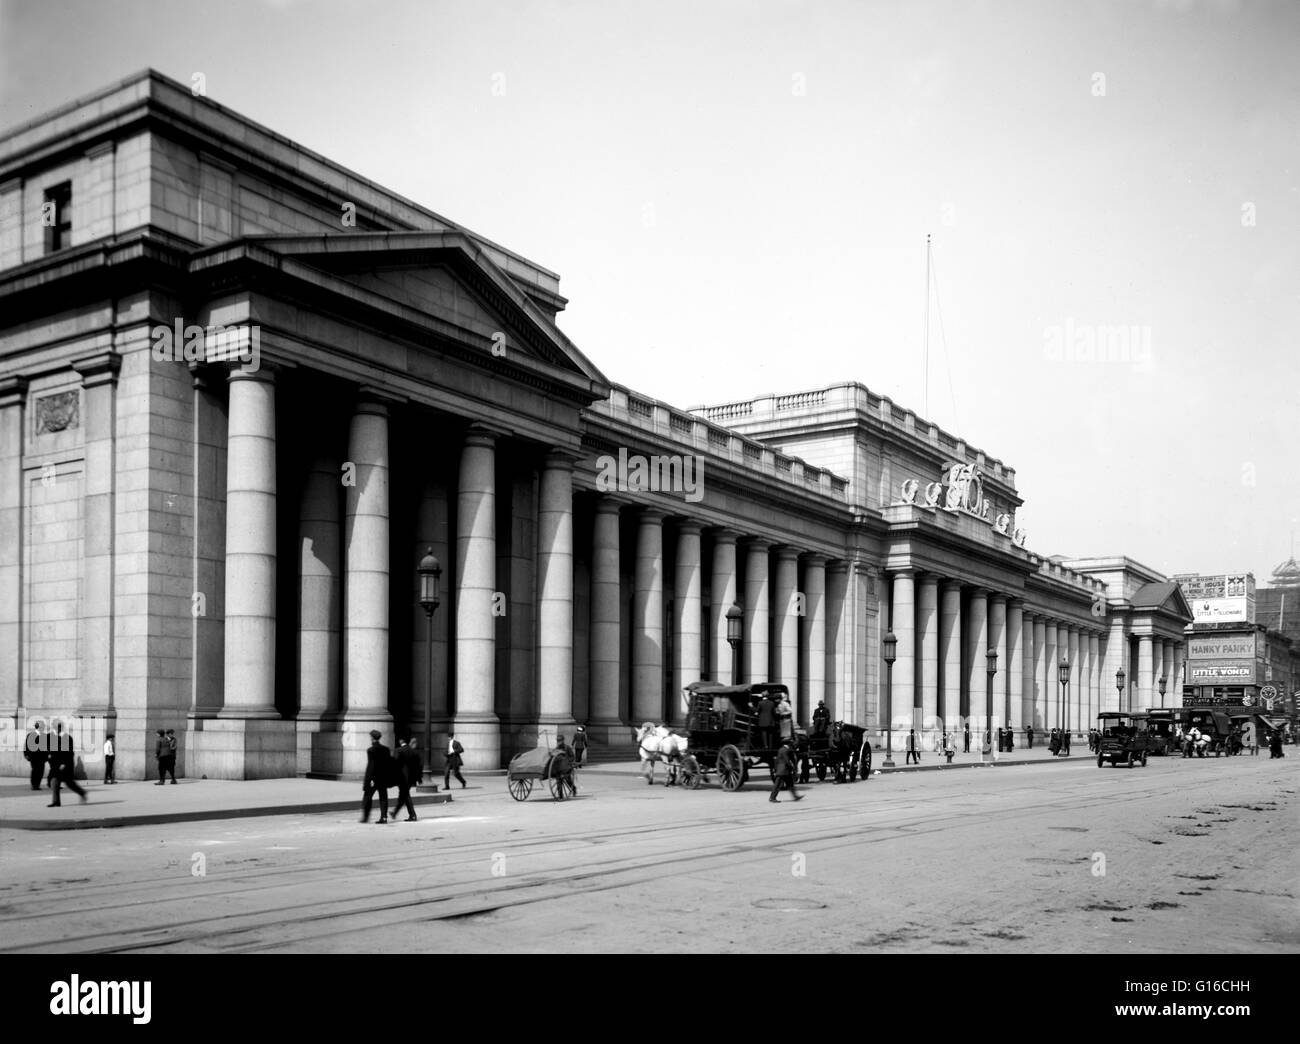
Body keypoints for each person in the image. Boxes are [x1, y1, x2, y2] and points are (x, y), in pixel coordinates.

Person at [48, 722, 88, 807]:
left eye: (56, 728)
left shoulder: (67, 738)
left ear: (60, 728)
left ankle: (82, 792)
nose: (55, 730)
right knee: (56, 782)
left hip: (66, 765)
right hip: (57, 765)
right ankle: (56, 802)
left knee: (69, 783)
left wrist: (63, 763)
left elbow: (69, 753)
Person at [360, 730, 392, 824]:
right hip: (383, 777)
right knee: (383, 797)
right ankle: (384, 817)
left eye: (370, 737)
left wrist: (368, 779)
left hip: (374, 778)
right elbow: (388, 765)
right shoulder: (386, 749)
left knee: (367, 796)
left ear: (372, 738)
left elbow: (371, 766)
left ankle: (366, 817)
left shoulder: (371, 750)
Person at [390, 738, 420, 821]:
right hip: (411, 778)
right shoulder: (414, 752)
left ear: (400, 741)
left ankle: (413, 815)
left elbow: (394, 764)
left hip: (402, 777)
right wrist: (418, 778)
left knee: (405, 796)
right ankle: (395, 813)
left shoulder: (398, 750)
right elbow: (418, 766)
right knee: (403, 796)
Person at [769, 739, 801, 803]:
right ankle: (772, 798)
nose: (791, 744)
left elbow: (777, 760)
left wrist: (775, 768)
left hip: (782, 770)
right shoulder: (786, 750)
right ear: (788, 744)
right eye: (791, 743)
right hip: (783, 770)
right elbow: (787, 760)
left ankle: (795, 796)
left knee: (790, 784)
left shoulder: (781, 749)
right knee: (778, 785)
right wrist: (791, 767)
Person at [24, 722, 47, 791]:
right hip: (33, 757)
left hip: (42, 757)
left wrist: (47, 756)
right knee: (35, 770)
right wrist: (26, 755)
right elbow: (26, 746)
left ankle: (37, 785)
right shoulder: (31, 735)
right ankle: (34, 785)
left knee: (41, 771)